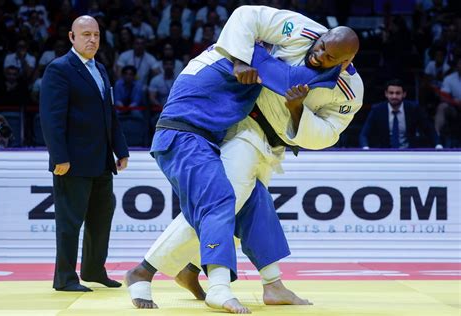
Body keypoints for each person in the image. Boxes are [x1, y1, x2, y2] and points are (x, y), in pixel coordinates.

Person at [126, 5, 362, 313]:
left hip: (277, 143)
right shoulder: (303, 31)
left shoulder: (350, 92)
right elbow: (246, 16)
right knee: (222, 201)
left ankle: (209, 271)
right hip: (247, 125)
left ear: (346, 62)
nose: (318, 55)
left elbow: (330, 133)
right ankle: (147, 270)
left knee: (251, 208)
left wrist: (296, 111)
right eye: (320, 47)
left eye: (329, 57)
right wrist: (239, 59)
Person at [39, 15, 129, 292]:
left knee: (100, 220)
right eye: (86, 34)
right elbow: (51, 118)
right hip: (73, 162)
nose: (92, 39)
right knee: (70, 222)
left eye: (96, 35)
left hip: (102, 160)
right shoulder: (59, 69)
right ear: (71, 37)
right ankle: (65, 278)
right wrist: (59, 158)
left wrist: (120, 149)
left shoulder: (100, 69)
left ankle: (93, 270)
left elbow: (108, 113)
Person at [359, 78, 441, 149]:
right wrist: (366, 148)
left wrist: (438, 145)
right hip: (384, 154)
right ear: (386, 94)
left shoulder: (413, 109)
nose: (394, 96)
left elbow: (430, 130)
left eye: (398, 93)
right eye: (391, 93)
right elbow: (364, 134)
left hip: (409, 153)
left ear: (404, 94)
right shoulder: (377, 110)